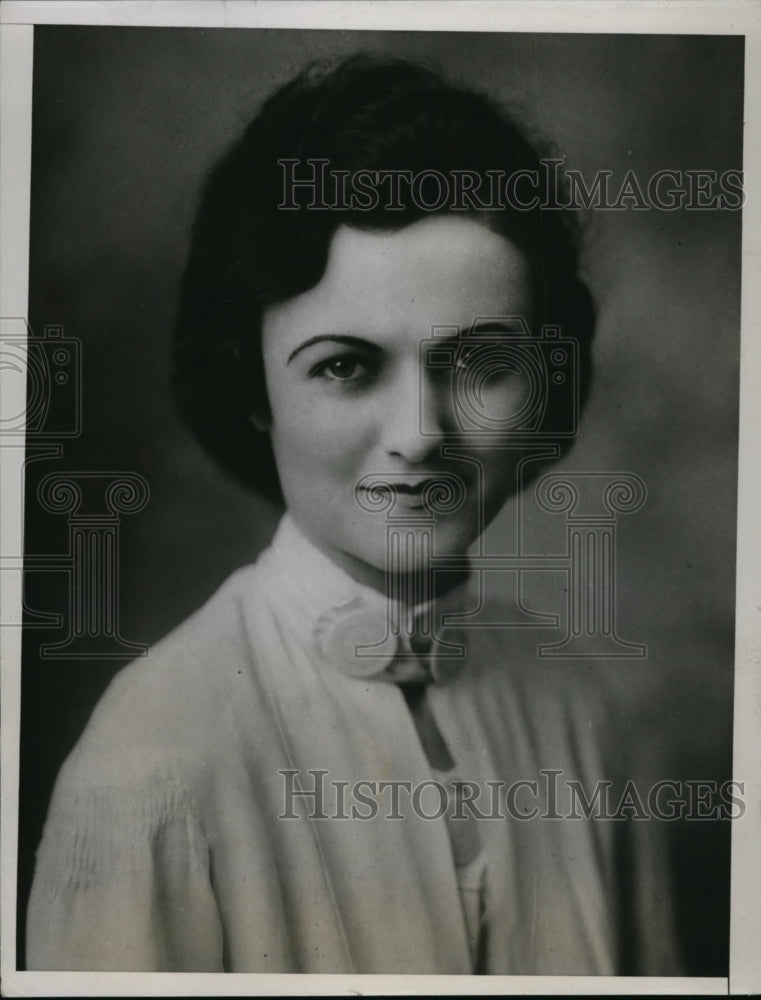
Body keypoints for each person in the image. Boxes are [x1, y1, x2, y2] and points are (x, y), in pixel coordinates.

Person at [26, 55, 681, 975]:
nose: (419, 434)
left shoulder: (584, 718)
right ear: (253, 386)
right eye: (345, 366)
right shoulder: (153, 764)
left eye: (481, 362)